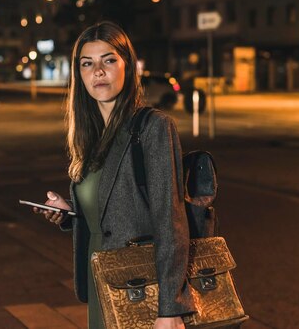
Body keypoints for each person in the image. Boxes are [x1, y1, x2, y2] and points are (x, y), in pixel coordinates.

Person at [33, 21, 194, 329]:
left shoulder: (153, 127)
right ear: (79, 74)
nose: (98, 72)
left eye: (108, 60)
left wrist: (170, 308)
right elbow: (109, 208)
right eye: (87, 63)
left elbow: (170, 221)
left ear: (127, 66)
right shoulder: (91, 137)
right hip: (102, 283)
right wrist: (70, 212)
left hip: (142, 288)